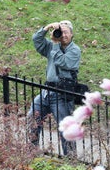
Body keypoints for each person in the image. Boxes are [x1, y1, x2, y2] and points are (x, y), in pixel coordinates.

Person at [28, 20, 81, 156]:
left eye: (66, 32)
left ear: (72, 34)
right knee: (32, 118)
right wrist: (46, 28)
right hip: (47, 91)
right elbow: (37, 41)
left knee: (66, 129)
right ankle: (32, 151)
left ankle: (70, 158)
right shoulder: (53, 46)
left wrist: (56, 45)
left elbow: (62, 61)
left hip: (62, 95)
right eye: (60, 32)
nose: (63, 35)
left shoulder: (75, 50)